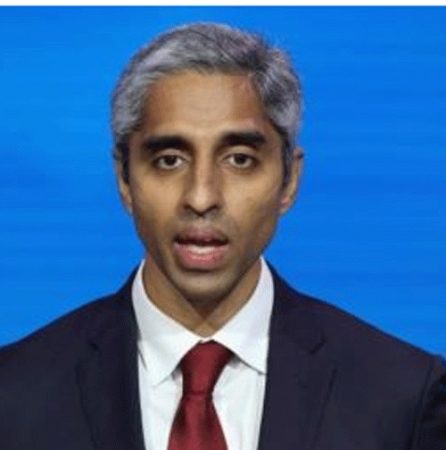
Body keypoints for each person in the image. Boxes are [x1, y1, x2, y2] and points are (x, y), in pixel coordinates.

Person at [0, 22, 445, 450]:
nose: (201, 197)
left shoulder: (400, 397)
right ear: (124, 179)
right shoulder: (15, 395)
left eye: (239, 159)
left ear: (289, 179)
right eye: (169, 160)